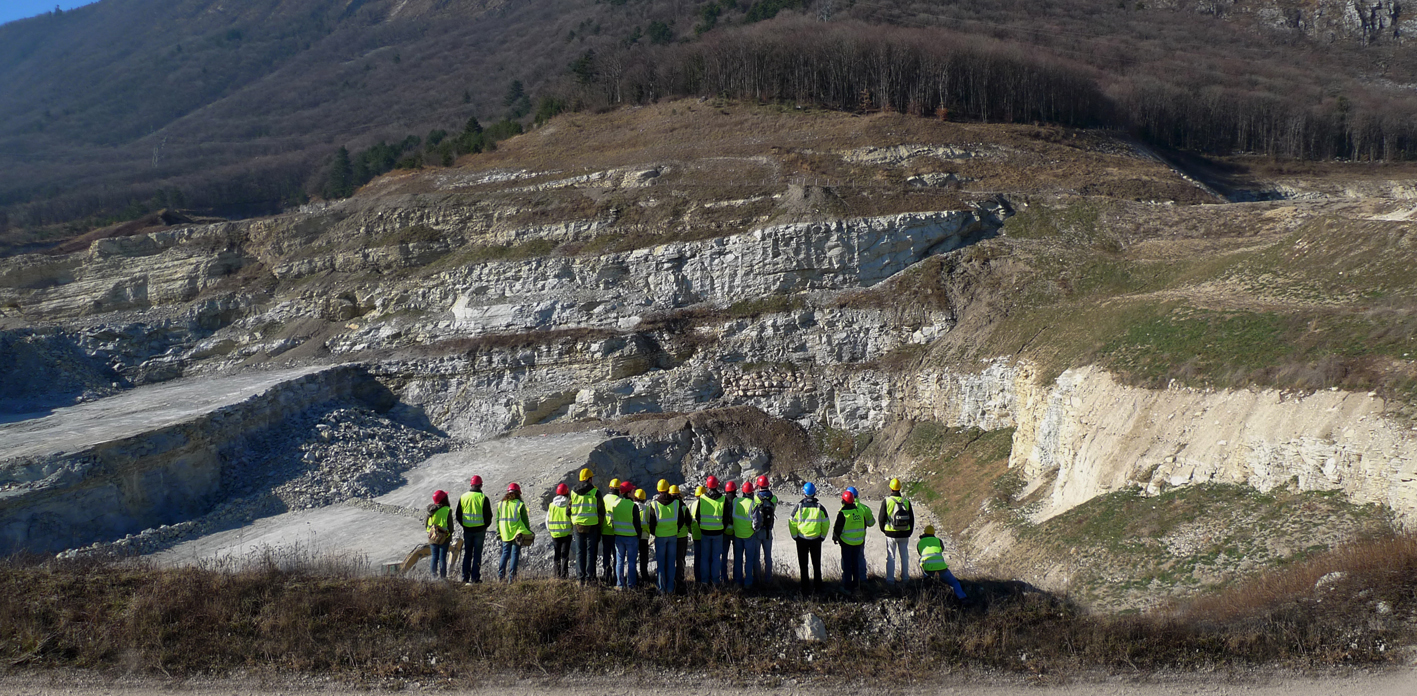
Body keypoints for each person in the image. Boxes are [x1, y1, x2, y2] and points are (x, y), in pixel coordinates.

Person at [645, 481, 687, 593]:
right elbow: (681, 520)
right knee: (671, 563)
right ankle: (670, 588)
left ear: (658, 490)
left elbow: (651, 523)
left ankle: (661, 588)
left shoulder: (654, 504)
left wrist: (656, 533)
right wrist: (675, 530)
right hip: (673, 536)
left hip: (660, 537)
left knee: (661, 564)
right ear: (668, 489)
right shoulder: (676, 503)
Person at [788, 482, 829, 595]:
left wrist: (795, 536)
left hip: (801, 539)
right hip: (816, 539)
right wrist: (822, 536)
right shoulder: (820, 507)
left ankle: (805, 587)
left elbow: (792, 522)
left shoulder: (799, 507)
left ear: (804, 493)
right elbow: (826, 523)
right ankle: (818, 587)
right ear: (814, 493)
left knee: (803, 565)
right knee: (816, 564)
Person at [570, 468, 606, 585]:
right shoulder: (596, 492)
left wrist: (573, 520)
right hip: (592, 525)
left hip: (578, 525)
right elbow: (601, 511)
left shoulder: (573, 492)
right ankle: (590, 579)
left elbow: (568, 510)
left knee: (580, 551)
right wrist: (599, 525)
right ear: (590, 479)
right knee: (591, 551)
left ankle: (580, 579)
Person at [455, 476, 493, 584]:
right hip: (480, 531)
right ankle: (475, 578)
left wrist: (465, 525)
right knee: (477, 554)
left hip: (467, 530)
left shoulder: (463, 497)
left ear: (471, 485)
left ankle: (464, 577)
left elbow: (458, 515)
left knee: (467, 553)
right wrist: (484, 526)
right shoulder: (483, 498)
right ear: (481, 485)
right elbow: (488, 516)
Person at [878, 477, 915, 586]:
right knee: (904, 556)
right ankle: (905, 578)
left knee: (891, 557)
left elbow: (881, 518)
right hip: (905, 533)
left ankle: (890, 580)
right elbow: (912, 519)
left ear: (890, 488)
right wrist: (909, 532)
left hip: (891, 533)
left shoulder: (887, 501)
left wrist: (884, 531)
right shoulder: (906, 501)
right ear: (900, 488)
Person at [918, 525, 967, 600]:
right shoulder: (938, 541)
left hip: (928, 569)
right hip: (942, 568)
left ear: (925, 532)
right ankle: (962, 598)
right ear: (934, 533)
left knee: (921, 560)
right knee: (954, 582)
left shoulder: (920, 542)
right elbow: (941, 550)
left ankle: (927, 578)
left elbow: (920, 553)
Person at [832, 490, 867, 594]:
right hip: (858, 542)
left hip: (846, 543)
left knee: (847, 565)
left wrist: (835, 538)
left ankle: (847, 587)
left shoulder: (843, 513)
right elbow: (864, 526)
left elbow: (837, 528)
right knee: (855, 564)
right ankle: (857, 586)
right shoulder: (860, 512)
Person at [611, 480, 643, 589]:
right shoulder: (633, 506)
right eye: (633, 490)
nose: (634, 492)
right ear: (628, 493)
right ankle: (631, 585)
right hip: (631, 537)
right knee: (631, 562)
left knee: (619, 561)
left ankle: (620, 585)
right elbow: (637, 524)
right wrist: (639, 535)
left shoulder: (616, 504)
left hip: (618, 537)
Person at [695, 476, 727, 586]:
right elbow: (726, 517)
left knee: (704, 557)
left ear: (707, 486)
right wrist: (722, 528)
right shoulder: (723, 498)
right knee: (716, 558)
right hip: (718, 532)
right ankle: (716, 581)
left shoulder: (702, 498)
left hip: (705, 532)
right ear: (717, 485)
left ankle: (704, 580)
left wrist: (702, 526)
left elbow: (697, 516)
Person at [497, 482, 532, 582]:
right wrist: (528, 532)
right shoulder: (520, 504)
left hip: (505, 532)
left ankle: (500, 577)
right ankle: (511, 578)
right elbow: (525, 520)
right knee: (515, 554)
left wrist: (498, 532)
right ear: (518, 493)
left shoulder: (501, 504)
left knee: (505, 553)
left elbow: (497, 519)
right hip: (517, 532)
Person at [731, 481, 761, 589]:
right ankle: (748, 582)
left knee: (737, 559)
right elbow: (757, 522)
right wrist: (754, 530)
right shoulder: (753, 505)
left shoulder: (735, 501)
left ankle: (737, 582)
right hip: (749, 536)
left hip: (737, 535)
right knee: (749, 560)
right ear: (752, 493)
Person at [754, 475, 779, 582]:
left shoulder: (755, 498)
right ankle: (768, 579)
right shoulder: (774, 498)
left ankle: (757, 578)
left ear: (759, 486)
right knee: (768, 557)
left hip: (758, 531)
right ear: (768, 485)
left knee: (756, 557)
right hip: (769, 530)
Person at [547, 482, 574, 579]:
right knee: (565, 555)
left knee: (557, 555)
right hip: (567, 533)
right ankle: (564, 576)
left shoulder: (552, 505)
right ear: (567, 493)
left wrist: (550, 530)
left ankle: (556, 576)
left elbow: (547, 520)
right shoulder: (569, 504)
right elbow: (572, 518)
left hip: (555, 534)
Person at [846, 486, 872, 582]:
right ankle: (862, 578)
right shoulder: (864, 509)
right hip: (860, 538)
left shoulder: (843, 509)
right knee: (860, 557)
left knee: (847, 559)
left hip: (847, 539)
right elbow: (871, 523)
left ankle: (847, 579)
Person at [600, 478, 623, 584]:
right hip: (615, 532)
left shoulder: (604, 498)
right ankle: (615, 577)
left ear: (610, 487)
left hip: (605, 531)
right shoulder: (619, 501)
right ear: (618, 489)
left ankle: (606, 576)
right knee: (616, 556)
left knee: (606, 555)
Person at [426, 490, 453, 579]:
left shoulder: (430, 510)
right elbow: (451, 527)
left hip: (432, 537)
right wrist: (448, 535)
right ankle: (443, 578)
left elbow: (426, 525)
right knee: (442, 558)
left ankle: (433, 577)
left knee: (434, 557)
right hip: (444, 538)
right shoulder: (447, 510)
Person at [671, 485, 691, 593]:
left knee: (670, 559)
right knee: (680, 560)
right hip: (682, 536)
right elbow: (688, 522)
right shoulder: (683, 506)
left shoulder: (668, 505)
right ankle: (679, 579)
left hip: (671, 535)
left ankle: (670, 580)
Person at [721, 480, 738, 585]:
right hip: (736, 532)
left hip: (724, 532)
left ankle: (723, 578)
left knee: (723, 557)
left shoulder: (722, 501)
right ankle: (737, 579)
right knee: (737, 557)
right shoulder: (738, 501)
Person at [635, 488, 651, 582]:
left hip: (634, 536)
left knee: (633, 558)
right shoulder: (647, 509)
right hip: (644, 537)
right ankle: (645, 577)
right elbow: (650, 522)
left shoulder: (632, 506)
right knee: (644, 558)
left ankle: (634, 577)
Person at [691, 485, 706, 584]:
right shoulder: (706, 504)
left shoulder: (691, 505)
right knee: (705, 558)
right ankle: (705, 579)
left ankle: (697, 579)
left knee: (697, 559)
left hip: (695, 535)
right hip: (705, 534)